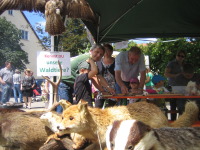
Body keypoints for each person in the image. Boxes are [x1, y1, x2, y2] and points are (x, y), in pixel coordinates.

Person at [57, 44, 115, 113]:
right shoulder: (87, 61)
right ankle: (58, 119)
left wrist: (109, 88)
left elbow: (99, 77)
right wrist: (102, 91)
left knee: (70, 105)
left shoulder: (94, 63)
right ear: (91, 51)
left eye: (101, 54)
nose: (98, 55)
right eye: (97, 52)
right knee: (65, 104)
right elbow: (91, 77)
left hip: (73, 84)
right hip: (65, 83)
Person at [164, 50, 186, 120]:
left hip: (182, 87)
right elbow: (166, 74)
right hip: (172, 86)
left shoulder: (184, 65)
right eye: (179, 55)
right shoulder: (171, 63)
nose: (180, 57)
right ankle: (173, 123)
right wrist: (176, 75)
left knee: (181, 106)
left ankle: (180, 122)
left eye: (182, 56)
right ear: (176, 56)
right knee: (173, 106)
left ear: (184, 57)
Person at [95, 44, 117, 108]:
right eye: (105, 50)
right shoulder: (98, 62)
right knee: (98, 106)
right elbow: (97, 76)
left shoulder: (116, 62)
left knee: (111, 107)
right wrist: (101, 90)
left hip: (113, 87)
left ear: (111, 51)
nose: (106, 52)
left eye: (108, 50)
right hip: (101, 87)